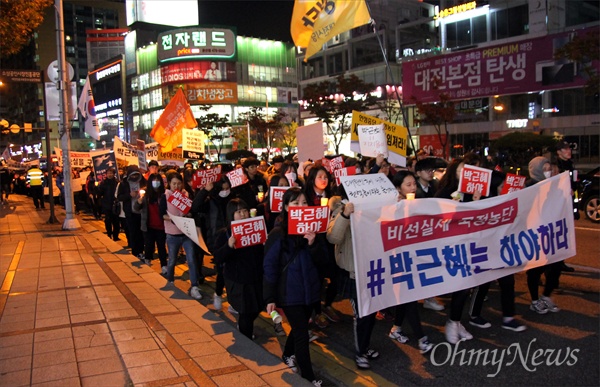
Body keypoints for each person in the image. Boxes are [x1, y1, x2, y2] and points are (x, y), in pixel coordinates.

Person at [263, 187, 327, 386]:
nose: (301, 207)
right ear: (286, 207)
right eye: (295, 203)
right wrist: (270, 297)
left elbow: (324, 262)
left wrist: (314, 243)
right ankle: (308, 377)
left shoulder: (315, 230)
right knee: (301, 333)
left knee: (300, 327)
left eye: (304, 203)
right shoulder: (278, 233)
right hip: (289, 293)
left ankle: (288, 354)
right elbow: (269, 266)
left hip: (310, 291)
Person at [327, 186, 381, 369]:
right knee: (362, 314)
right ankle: (360, 352)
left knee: (372, 311)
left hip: (373, 268)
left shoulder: (374, 207)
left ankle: (364, 348)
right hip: (353, 273)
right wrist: (344, 214)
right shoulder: (340, 210)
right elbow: (333, 237)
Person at [468, 170, 526, 332]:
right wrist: (475, 201)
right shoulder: (484, 203)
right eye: (501, 186)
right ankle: (474, 315)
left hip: (503, 249)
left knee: (508, 282)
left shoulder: (509, 200)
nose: (504, 189)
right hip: (485, 249)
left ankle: (509, 317)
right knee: (483, 283)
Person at [435, 153, 482, 344]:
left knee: (466, 286)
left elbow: (477, 217)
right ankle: (452, 322)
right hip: (450, 246)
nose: (464, 173)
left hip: (467, 244)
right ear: (453, 172)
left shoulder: (471, 193)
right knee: (459, 285)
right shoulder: (444, 193)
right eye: (461, 170)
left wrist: (477, 200)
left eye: (467, 170)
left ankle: (455, 321)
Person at [387, 171, 435, 354]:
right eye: (408, 185)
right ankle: (422, 338)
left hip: (413, 255)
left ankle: (396, 328)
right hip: (398, 257)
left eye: (414, 183)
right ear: (398, 188)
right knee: (408, 296)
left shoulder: (418, 202)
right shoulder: (391, 206)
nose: (413, 187)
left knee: (405, 296)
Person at [213, 198, 264, 339]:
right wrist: (228, 246)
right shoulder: (225, 233)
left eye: (245, 211)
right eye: (238, 212)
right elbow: (217, 257)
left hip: (255, 276)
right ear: (231, 214)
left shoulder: (255, 228)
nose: (243, 214)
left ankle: (243, 328)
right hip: (238, 279)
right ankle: (245, 338)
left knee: (258, 307)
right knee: (246, 312)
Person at [304, 166, 340, 329]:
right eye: (320, 177)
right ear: (312, 179)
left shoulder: (333, 197)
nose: (323, 180)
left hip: (331, 243)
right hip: (314, 245)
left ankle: (327, 304)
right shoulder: (305, 198)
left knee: (338, 277)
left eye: (325, 177)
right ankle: (317, 311)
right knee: (316, 280)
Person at [525, 156, 562, 314]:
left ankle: (546, 296)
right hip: (535, 234)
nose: (548, 172)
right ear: (537, 170)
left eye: (549, 169)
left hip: (552, 233)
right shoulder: (528, 187)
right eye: (545, 169)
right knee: (535, 269)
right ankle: (534, 300)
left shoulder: (554, 186)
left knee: (556, 266)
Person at [191, 177, 233, 310]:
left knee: (232, 270)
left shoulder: (233, 200)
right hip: (216, 239)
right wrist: (204, 191)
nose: (225, 191)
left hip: (233, 237)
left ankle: (232, 300)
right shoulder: (210, 201)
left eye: (228, 189)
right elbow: (195, 207)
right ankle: (219, 293)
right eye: (223, 189)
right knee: (221, 270)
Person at [160, 171, 203, 300]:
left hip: (186, 233)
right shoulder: (165, 196)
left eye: (179, 183)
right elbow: (161, 214)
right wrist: (174, 219)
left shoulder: (186, 194)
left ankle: (194, 286)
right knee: (172, 260)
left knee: (191, 260)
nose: (176, 186)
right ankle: (171, 280)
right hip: (172, 234)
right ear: (169, 184)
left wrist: (188, 216)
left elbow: (190, 211)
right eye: (174, 184)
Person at [134, 173, 167, 274]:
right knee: (148, 245)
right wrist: (138, 202)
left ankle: (164, 265)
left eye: (158, 180)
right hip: (149, 226)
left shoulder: (164, 194)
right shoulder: (146, 195)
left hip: (162, 226)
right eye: (154, 180)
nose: (156, 183)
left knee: (161, 247)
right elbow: (135, 209)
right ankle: (147, 260)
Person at [554, 140, 577, 271]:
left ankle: (560, 261)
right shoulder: (556, 166)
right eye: (565, 149)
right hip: (559, 204)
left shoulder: (570, 164)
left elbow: (574, 182)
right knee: (558, 231)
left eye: (569, 149)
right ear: (558, 152)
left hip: (569, 202)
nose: (568, 151)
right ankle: (552, 265)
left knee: (565, 232)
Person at [118, 165, 147, 259]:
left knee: (142, 232)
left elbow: (148, 191)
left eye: (136, 175)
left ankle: (141, 251)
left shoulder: (143, 181)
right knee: (133, 232)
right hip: (130, 212)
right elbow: (119, 197)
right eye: (133, 175)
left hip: (142, 212)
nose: (134, 177)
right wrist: (129, 195)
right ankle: (135, 252)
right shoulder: (124, 184)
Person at [96, 168, 120, 240]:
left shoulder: (117, 182)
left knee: (116, 221)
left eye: (111, 173)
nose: (110, 174)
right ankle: (109, 234)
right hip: (107, 204)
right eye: (108, 173)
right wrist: (97, 188)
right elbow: (99, 194)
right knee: (108, 220)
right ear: (106, 174)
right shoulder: (103, 183)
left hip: (115, 204)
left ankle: (116, 236)